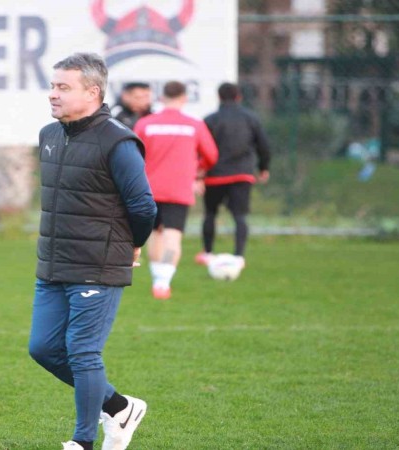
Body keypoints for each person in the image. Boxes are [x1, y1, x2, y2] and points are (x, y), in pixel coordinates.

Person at [29, 53, 157, 450]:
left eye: (63, 87)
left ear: (92, 92)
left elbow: (143, 206)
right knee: (43, 349)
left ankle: (82, 441)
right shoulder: (49, 135)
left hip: (98, 265)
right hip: (53, 263)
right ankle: (120, 407)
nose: (53, 94)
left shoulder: (118, 141)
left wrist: (133, 244)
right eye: (53, 86)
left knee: (83, 353)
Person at [134, 81, 218, 300]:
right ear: (184, 99)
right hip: (178, 189)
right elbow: (211, 155)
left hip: (149, 188)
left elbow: (133, 153)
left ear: (162, 98)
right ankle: (163, 283)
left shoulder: (145, 124)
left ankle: (157, 278)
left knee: (155, 233)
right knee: (172, 235)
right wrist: (198, 171)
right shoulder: (194, 125)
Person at [196, 82, 271, 268]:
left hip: (214, 175)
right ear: (239, 97)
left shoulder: (210, 120)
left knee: (210, 214)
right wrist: (263, 168)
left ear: (219, 97)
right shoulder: (251, 118)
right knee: (240, 216)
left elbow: (200, 149)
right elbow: (264, 146)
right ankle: (239, 255)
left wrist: (199, 174)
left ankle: (208, 253)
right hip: (242, 175)